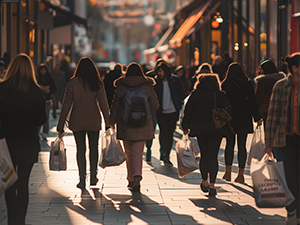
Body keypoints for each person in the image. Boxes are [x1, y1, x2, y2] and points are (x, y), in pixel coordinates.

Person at [0, 53, 46, 225]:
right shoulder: (35, 91)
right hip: (27, 142)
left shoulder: (2, 88)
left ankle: (12, 220)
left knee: (9, 181)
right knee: (23, 182)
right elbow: (42, 118)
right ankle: (21, 221)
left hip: (6, 142)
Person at [57, 57, 110, 190]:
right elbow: (104, 104)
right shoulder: (97, 83)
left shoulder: (72, 83)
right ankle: (93, 175)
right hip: (93, 120)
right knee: (94, 148)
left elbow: (66, 105)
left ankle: (81, 179)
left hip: (77, 120)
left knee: (81, 149)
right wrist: (108, 123)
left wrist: (61, 124)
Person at [109, 62, 159, 192]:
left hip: (125, 124)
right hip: (143, 123)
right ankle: (137, 177)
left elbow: (115, 106)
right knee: (138, 152)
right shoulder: (148, 86)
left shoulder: (121, 86)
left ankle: (130, 178)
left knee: (129, 152)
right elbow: (155, 106)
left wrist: (111, 121)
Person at [181, 74, 231, 197]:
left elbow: (188, 110)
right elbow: (229, 109)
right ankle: (213, 185)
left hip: (201, 129)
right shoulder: (220, 94)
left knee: (204, 155)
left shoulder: (196, 94)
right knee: (213, 156)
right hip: (216, 128)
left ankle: (204, 181)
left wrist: (185, 126)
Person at [265, 53, 300, 225]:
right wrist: (268, 143)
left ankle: (297, 212)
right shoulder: (281, 86)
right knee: (289, 176)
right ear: (294, 68)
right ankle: (292, 209)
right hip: (284, 140)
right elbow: (272, 115)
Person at [221, 62, 262, 183]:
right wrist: (257, 117)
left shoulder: (226, 84)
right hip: (244, 117)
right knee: (242, 146)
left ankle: (227, 173)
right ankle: (240, 175)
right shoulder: (247, 84)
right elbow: (252, 102)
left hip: (230, 118)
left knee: (229, 144)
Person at [154, 61, 185, 166]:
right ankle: (163, 152)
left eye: (160, 71)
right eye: (158, 71)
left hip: (173, 111)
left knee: (170, 133)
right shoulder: (156, 82)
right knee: (163, 132)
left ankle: (166, 153)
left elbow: (182, 92)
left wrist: (179, 101)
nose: (159, 73)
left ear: (166, 71)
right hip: (161, 111)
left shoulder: (175, 80)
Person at [36, 64, 57, 140]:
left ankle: (45, 132)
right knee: (38, 115)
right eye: (41, 70)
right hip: (39, 100)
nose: (42, 71)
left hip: (47, 100)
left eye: (44, 69)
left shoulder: (49, 78)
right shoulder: (37, 78)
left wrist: (49, 90)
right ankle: (37, 132)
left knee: (46, 116)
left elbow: (54, 88)